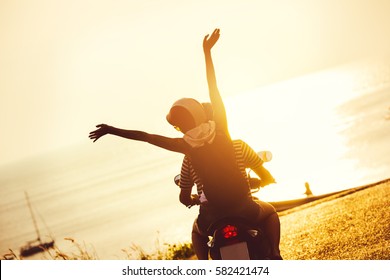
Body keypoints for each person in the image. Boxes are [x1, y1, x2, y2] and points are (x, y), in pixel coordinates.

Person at [89, 28, 282, 259]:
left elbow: (146, 136)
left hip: (212, 217)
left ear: (180, 126)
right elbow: (214, 88)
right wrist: (207, 53)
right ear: (200, 114)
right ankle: (275, 255)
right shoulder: (222, 129)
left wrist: (111, 130)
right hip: (245, 209)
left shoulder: (186, 147)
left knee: (197, 233)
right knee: (270, 213)